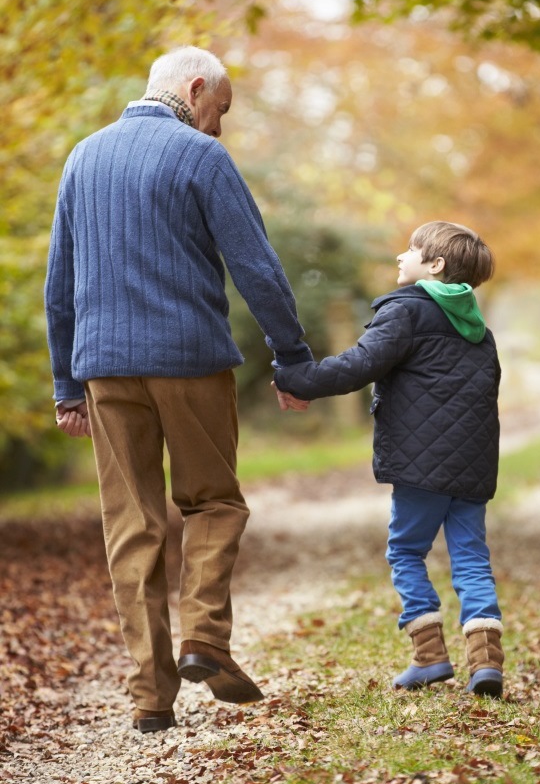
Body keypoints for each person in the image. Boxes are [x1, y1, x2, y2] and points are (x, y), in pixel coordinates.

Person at [45, 46, 313, 733]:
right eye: (217, 110)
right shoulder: (202, 159)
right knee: (214, 501)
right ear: (194, 89)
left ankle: (149, 697)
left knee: (130, 525)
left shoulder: (83, 157)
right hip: (190, 360)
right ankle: (204, 636)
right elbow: (257, 265)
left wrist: (65, 382)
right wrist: (292, 355)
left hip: (104, 366)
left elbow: (59, 285)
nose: (216, 127)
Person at [273, 221, 505, 697]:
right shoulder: (479, 329)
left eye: (412, 250)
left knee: (405, 551)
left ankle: (430, 657)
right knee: (471, 558)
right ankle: (486, 663)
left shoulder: (406, 311)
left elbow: (359, 365)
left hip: (422, 465)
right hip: (473, 465)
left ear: (435, 265)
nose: (401, 256)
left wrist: (296, 378)